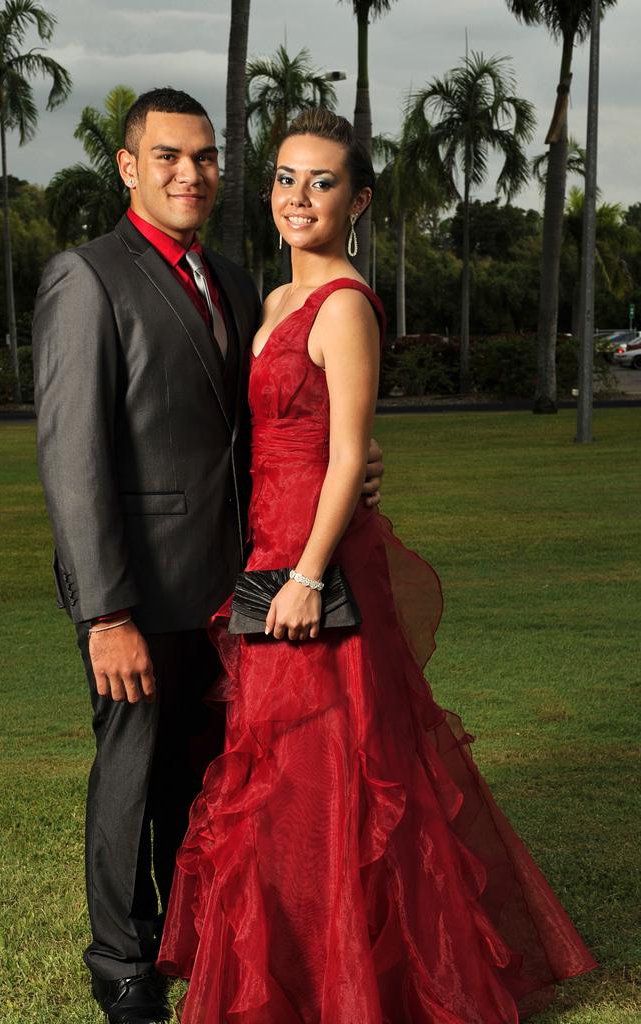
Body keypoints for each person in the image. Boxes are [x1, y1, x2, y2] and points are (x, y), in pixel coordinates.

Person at [156, 108, 597, 1023]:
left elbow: (350, 455)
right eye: (284, 177)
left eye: (322, 182)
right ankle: (305, 961)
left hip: (314, 561)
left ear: (357, 200)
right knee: (281, 768)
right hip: (273, 547)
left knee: (340, 763)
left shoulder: (345, 304)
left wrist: (310, 577)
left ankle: (366, 979)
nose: (298, 197)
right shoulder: (273, 301)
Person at [33, 89, 383, 1024]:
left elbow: (267, 420)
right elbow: (73, 462)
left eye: (205, 158)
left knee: (201, 778)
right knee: (133, 770)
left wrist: (349, 462)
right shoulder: (88, 276)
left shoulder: (234, 279)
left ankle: (196, 936)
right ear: (128, 167)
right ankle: (122, 964)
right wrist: (104, 613)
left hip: (237, 586)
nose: (190, 173)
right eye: (168, 157)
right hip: (136, 593)